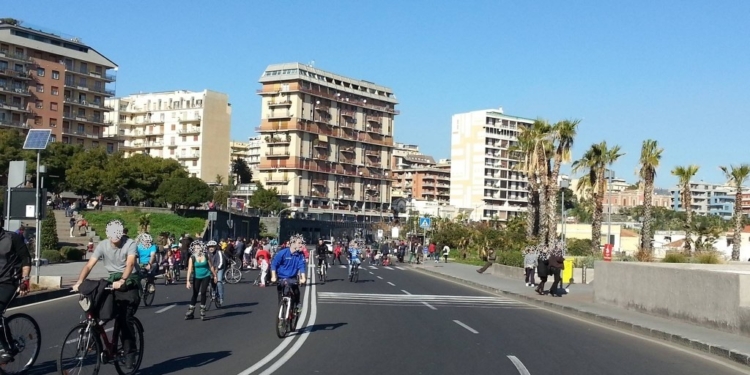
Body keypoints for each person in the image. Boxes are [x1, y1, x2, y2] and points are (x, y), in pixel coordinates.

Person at [72, 219, 140, 369]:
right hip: (111, 283)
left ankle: (130, 353)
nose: (115, 238)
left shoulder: (130, 244)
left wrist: (123, 279)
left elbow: (129, 263)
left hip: (129, 283)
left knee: (124, 319)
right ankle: (94, 338)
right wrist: (79, 282)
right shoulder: (103, 245)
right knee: (95, 307)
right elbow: (90, 264)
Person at [0, 215, 31, 363]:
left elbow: (25, 258)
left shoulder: (12, 238)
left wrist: (24, 281)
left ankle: (9, 347)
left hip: (8, 283)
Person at [270, 234, 307, 313]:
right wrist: (273, 276)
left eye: (302, 243)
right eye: (299, 243)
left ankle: (297, 304)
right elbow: (274, 264)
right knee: (280, 296)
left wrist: (303, 278)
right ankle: (281, 316)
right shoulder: (282, 253)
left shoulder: (300, 255)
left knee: (296, 291)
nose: (301, 245)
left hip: (292, 278)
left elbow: (301, 267)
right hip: (281, 278)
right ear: (293, 243)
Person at [185, 240, 217, 321]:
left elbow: (211, 266)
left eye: (198, 248)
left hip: (206, 276)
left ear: (202, 248)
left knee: (203, 292)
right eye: (195, 248)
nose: (197, 249)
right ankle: (191, 311)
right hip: (196, 277)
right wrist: (188, 281)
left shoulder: (206, 256)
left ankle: (202, 310)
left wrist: (215, 275)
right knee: (195, 293)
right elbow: (189, 270)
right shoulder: (192, 258)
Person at [207, 240, 227, 305]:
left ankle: (221, 297)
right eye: (210, 247)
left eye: (213, 246)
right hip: (210, 269)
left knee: (218, 282)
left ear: (215, 247)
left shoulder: (219, 252)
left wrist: (217, 269)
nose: (211, 248)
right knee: (210, 281)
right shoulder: (207, 253)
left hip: (219, 268)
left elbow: (221, 262)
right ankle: (213, 291)